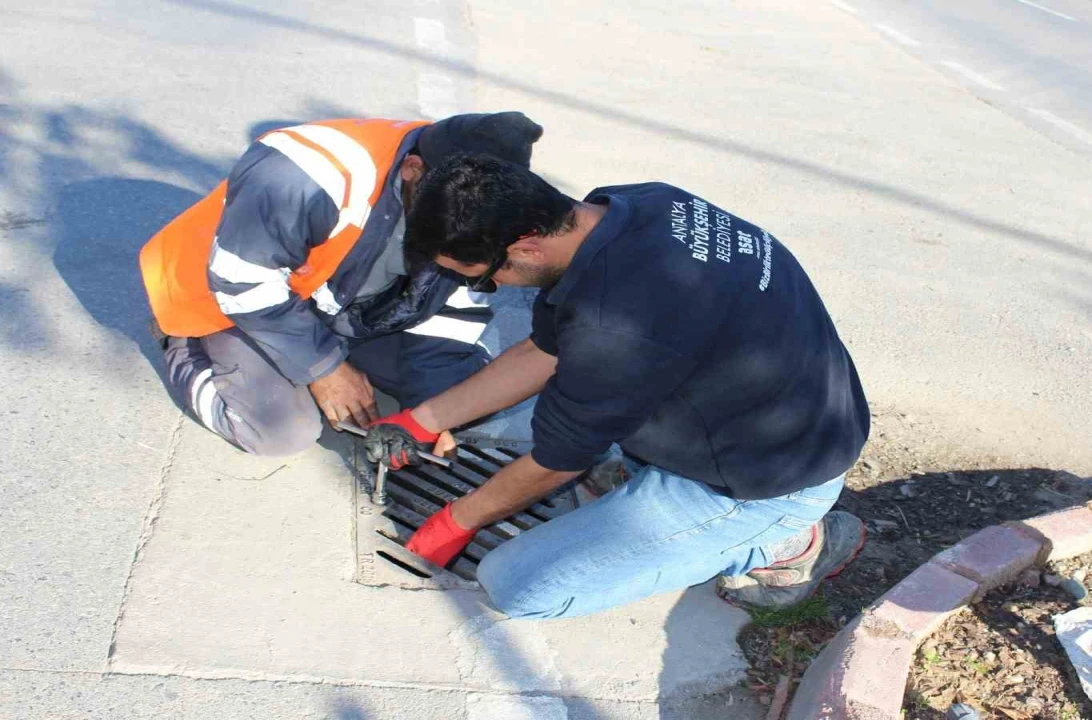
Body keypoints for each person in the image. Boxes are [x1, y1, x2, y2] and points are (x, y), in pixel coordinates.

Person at [364, 154, 871, 617]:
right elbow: (545, 351)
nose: (489, 289)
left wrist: (455, 521)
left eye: (480, 278)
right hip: (777, 414)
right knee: (602, 402)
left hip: (766, 483)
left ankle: (788, 545)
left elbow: (557, 463)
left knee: (518, 587)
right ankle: (643, 476)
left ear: (527, 247)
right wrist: (420, 421)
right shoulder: (636, 204)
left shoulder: (611, 325)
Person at [139, 113, 543, 455]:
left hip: (338, 302)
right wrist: (325, 369)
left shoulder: (481, 201)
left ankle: (321, 355)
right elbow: (244, 283)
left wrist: (435, 415)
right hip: (229, 298)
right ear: (412, 169)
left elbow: (452, 309)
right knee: (280, 432)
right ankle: (186, 347)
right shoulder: (304, 174)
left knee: (471, 396)